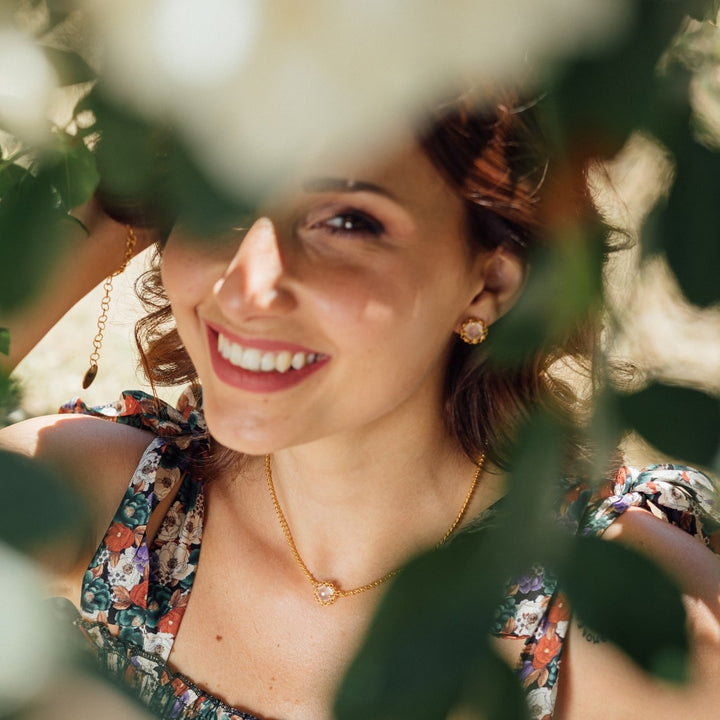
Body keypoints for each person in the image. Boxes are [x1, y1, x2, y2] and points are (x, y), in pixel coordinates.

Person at [1, 90, 719, 720]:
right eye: (216, 201)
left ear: (491, 282)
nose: (247, 286)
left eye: (346, 221)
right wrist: (102, 208)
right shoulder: (124, 512)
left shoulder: (628, 627)